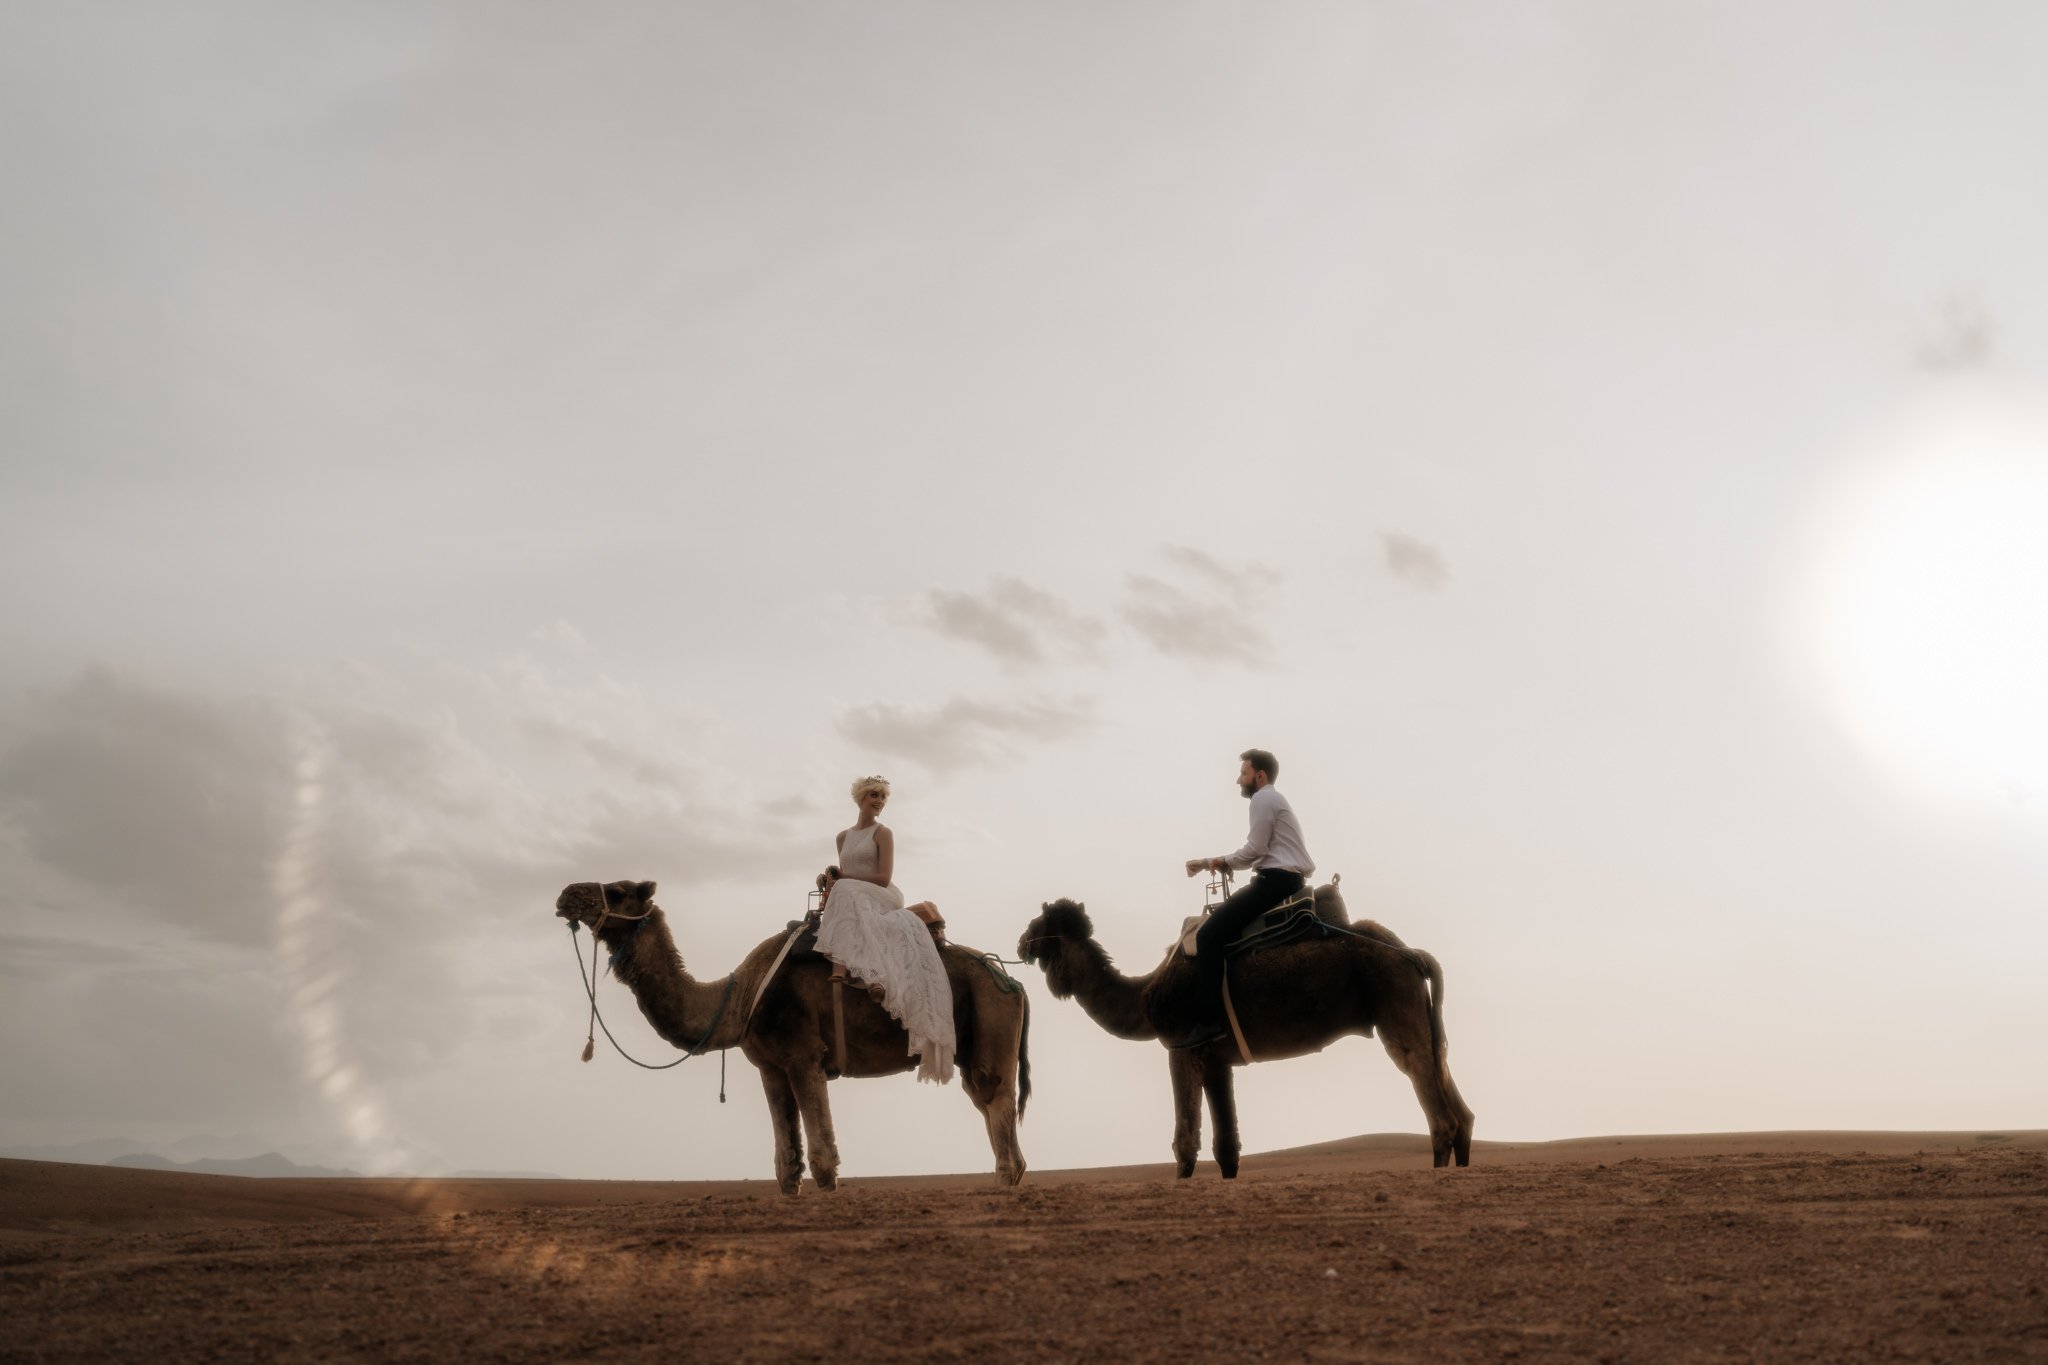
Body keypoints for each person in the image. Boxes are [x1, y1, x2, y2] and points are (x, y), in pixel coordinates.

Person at [813, 775, 956, 1084]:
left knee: (846, 891)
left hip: (881, 893)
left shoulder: (883, 833)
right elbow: (843, 879)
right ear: (861, 798)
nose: (878, 801)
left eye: (882, 798)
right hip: (852, 893)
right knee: (843, 891)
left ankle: (855, 971)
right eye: (873, 795)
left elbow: (883, 876)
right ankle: (851, 969)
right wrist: (831, 880)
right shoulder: (843, 837)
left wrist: (844, 878)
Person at [1170, 748, 1316, 1049]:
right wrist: (1216, 861)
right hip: (1282, 880)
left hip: (1275, 882)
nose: (1239, 781)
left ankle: (1208, 1021)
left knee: (1209, 935)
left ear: (1259, 776)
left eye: (1243, 773)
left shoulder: (1263, 798)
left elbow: (1254, 851)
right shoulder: (1274, 799)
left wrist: (1211, 860)